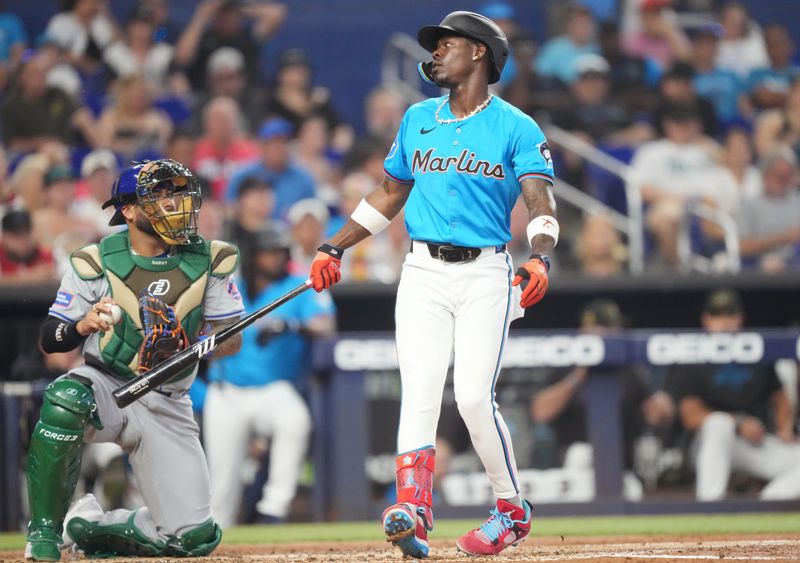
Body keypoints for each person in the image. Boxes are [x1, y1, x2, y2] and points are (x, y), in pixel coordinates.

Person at [309, 11, 557, 558]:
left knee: (471, 396)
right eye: (438, 44)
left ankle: (511, 508)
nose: (438, 52)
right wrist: (335, 245)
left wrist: (540, 258)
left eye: (449, 44)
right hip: (421, 269)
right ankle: (414, 511)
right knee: (417, 391)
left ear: (480, 54)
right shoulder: (418, 117)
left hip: (486, 272)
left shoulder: (517, 125)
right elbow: (391, 194)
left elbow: (540, 200)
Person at [24, 158, 244, 560]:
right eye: (160, 195)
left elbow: (232, 340)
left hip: (168, 401)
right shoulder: (96, 260)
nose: (174, 203)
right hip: (108, 385)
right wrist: (83, 326)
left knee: (193, 540)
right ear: (128, 209)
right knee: (66, 399)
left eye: (177, 193)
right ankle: (44, 533)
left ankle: (88, 526)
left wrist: (189, 343)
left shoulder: (210, 257)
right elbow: (51, 339)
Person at [205, 222, 335, 526]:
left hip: (272, 391)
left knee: (296, 420)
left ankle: (274, 509)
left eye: (279, 252)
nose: (275, 258)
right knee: (221, 487)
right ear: (252, 256)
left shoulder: (297, 285)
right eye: (267, 253)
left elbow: (326, 325)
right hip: (227, 393)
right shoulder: (229, 286)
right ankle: (216, 532)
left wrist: (292, 326)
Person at [665, 289, 800, 501]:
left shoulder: (757, 352)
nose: (724, 322)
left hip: (754, 441)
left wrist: (784, 428)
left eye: (730, 315)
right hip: (707, 444)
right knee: (719, 424)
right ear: (706, 320)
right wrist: (737, 422)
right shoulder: (693, 355)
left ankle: (766, 507)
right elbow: (690, 416)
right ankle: (710, 507)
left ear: (740, 319)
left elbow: (780, 396)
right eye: (717, 315)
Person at [531, 300, 674, 493]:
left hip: (621, 467)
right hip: (574, 466)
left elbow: (655, 415)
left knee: (633, 490)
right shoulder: (566, 364)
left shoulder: (628, 369)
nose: (617, 332)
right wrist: (579, 375)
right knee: (581, 454)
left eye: (615, 328)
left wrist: (661, 408)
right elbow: (541, 412)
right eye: (610, 328)